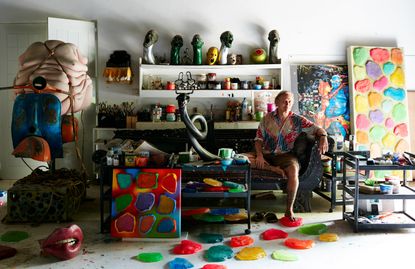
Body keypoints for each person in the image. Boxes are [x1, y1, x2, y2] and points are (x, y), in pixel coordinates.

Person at [246, 90, 328, 221]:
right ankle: (273, 169)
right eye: (284, 101)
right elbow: (258, 140)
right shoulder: (266, 119)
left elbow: (317, 128)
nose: (287, 103)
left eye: (290, 101)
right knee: (242, 160)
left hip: (285, 155)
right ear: (277, 103)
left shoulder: (297, 120)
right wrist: (260, 156)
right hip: (266, 154)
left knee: (293, 170)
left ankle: (289, 209)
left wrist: (323, 136)